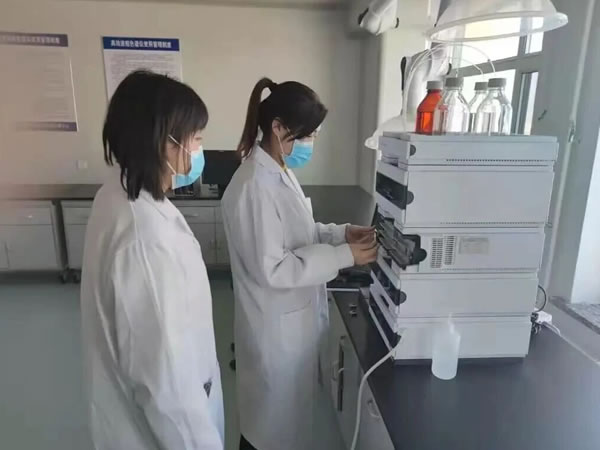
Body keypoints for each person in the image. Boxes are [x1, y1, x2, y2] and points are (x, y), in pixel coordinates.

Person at [221, 77, 378, 450]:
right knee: (266, 433)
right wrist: (344, 256)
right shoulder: (253, 187)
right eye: (306, 135)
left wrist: (342, 233)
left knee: (286, 427)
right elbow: (274, 268)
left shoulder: (280, 172)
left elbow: (301, 234)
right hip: (274, 336)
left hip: (292, 329)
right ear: (277, 127)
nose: (310, 143)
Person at [80, 70, 224, 450]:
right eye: (196, 138)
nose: (200, 149)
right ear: (164, 142)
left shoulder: (118, 195)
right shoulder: (146, 240)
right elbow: (167, 389)